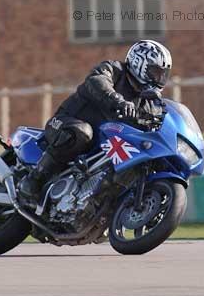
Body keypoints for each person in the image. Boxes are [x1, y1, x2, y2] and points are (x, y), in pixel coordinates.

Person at [19, 39, 172, 202]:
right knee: (82, 132)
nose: (158, 78)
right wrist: (118, 101)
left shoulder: (146, 101)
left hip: (101, 145)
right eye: (154, 72)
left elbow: (153, 121)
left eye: (162, 74)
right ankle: (34, 180)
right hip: (65, 124)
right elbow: (97, 81)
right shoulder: (114, 70)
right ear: (138, 63)